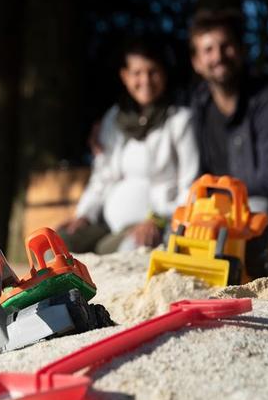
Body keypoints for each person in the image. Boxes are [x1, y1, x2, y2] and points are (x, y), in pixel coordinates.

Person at [58, 36, 200, 254]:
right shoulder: (113, 119)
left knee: (122, 248)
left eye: (152, 71)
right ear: (124, 76)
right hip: (106, 222)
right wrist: (85, 215)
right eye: (137, 73)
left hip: (153, 226)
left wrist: (159, 219)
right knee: (60, 242)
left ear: (163, 74)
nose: (145, 80)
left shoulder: (180, 120)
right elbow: (102, 176)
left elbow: (190, 184)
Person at [187, 9, 268, 248]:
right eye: (208, 50)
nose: (218, 56)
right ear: (196, 62)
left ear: (242, 50)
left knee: (257, 212)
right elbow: (199, 174)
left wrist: (218, 201)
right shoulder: (199, 107)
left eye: (226, 45)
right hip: (222, 219)